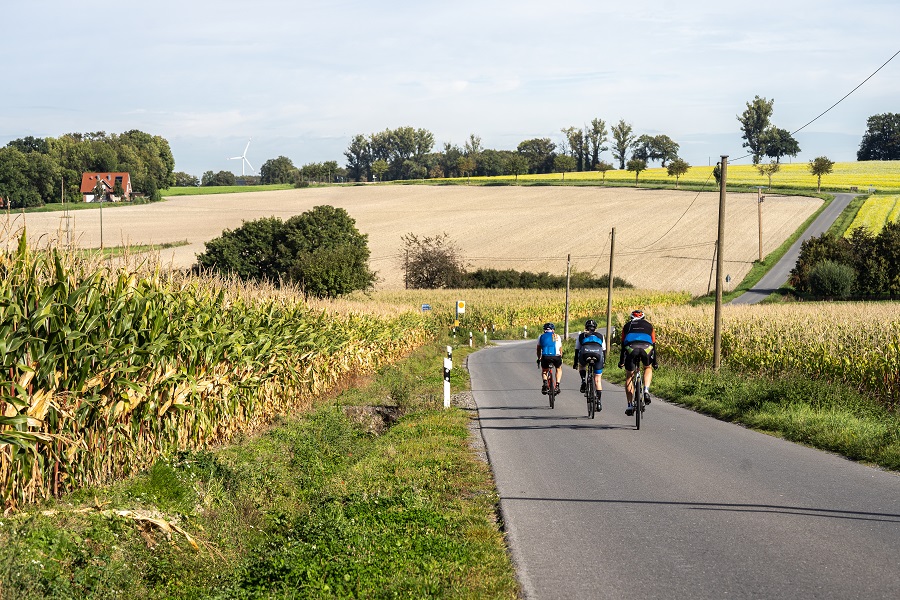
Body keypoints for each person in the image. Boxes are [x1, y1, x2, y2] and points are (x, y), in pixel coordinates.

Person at [618, 309, 657, 416]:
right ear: (643, 318)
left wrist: (621, 361)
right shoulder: (649, 326)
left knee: (629, 376)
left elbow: (623, 345)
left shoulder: (627, 326)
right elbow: (654, 344)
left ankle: (630, 405)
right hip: (647, 348)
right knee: (647, 368)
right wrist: (655, 362)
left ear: (631, 318)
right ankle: (646, 390)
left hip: (631, 347)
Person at [573, 319, 606, 411]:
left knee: (582, 366)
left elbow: (577, 350)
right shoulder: (600, 336)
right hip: (598, 355)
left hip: (585, 354)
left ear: (585, 327)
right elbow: (604, 350)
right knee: (597, 379)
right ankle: (598, 402)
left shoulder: (581, 336)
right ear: (595, 328)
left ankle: (583, 380)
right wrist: (604, 362)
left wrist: (575, 362)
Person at [536, 322, 563, 394]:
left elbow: (538, 349)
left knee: (544, 371)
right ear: (553, 330)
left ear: (544, 330)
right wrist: (561, 357)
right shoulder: (556, 336)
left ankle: (545, 383)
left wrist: (539, 358)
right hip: (556, 356)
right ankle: (557, 385)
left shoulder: (541, 336)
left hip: (545, 356)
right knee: (558, 369)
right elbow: (560, 349)